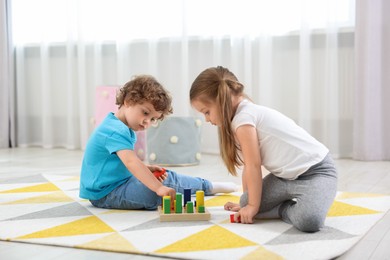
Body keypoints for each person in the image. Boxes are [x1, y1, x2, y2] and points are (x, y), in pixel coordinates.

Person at [189, 66, 337, 232]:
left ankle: (284, 210)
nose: (207, 119)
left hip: (317, 172)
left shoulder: (244, 119)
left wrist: (253, 206)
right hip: (285, 179)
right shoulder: (240, 116)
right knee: (247, 202)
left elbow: (254, 165)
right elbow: (248, 166)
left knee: (309, 221)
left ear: (222, 100)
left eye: (207, 112)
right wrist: (246, 203)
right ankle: (285, 206)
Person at [80, 75, 237, 210]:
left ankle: (206, 186)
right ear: (128, 101)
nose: (147, 122)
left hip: (118, 183)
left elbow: (116, 163)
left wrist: (147, 169)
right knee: (156, 191)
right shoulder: (115, 130)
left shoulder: (119, 125)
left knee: (164, 176)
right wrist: (158, 188)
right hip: (105, 193)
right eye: (145, 113)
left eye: (153, 119)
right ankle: (201, 190)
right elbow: (130, 162)